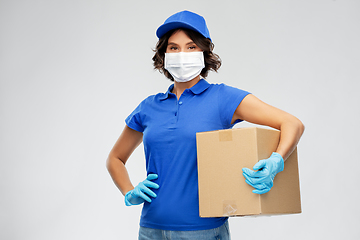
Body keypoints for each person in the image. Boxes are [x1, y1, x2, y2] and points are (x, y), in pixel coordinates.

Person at [106, 10, 304, 240]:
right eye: (173, 47)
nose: (182, 54)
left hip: (203, 231)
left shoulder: (222, 98)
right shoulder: (149, 107)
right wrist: (129, 191)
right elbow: (115, 158)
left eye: (191, 47)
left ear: (204, 52)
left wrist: (276, 160)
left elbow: (292, 123)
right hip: (151, 230)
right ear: (163, 55)